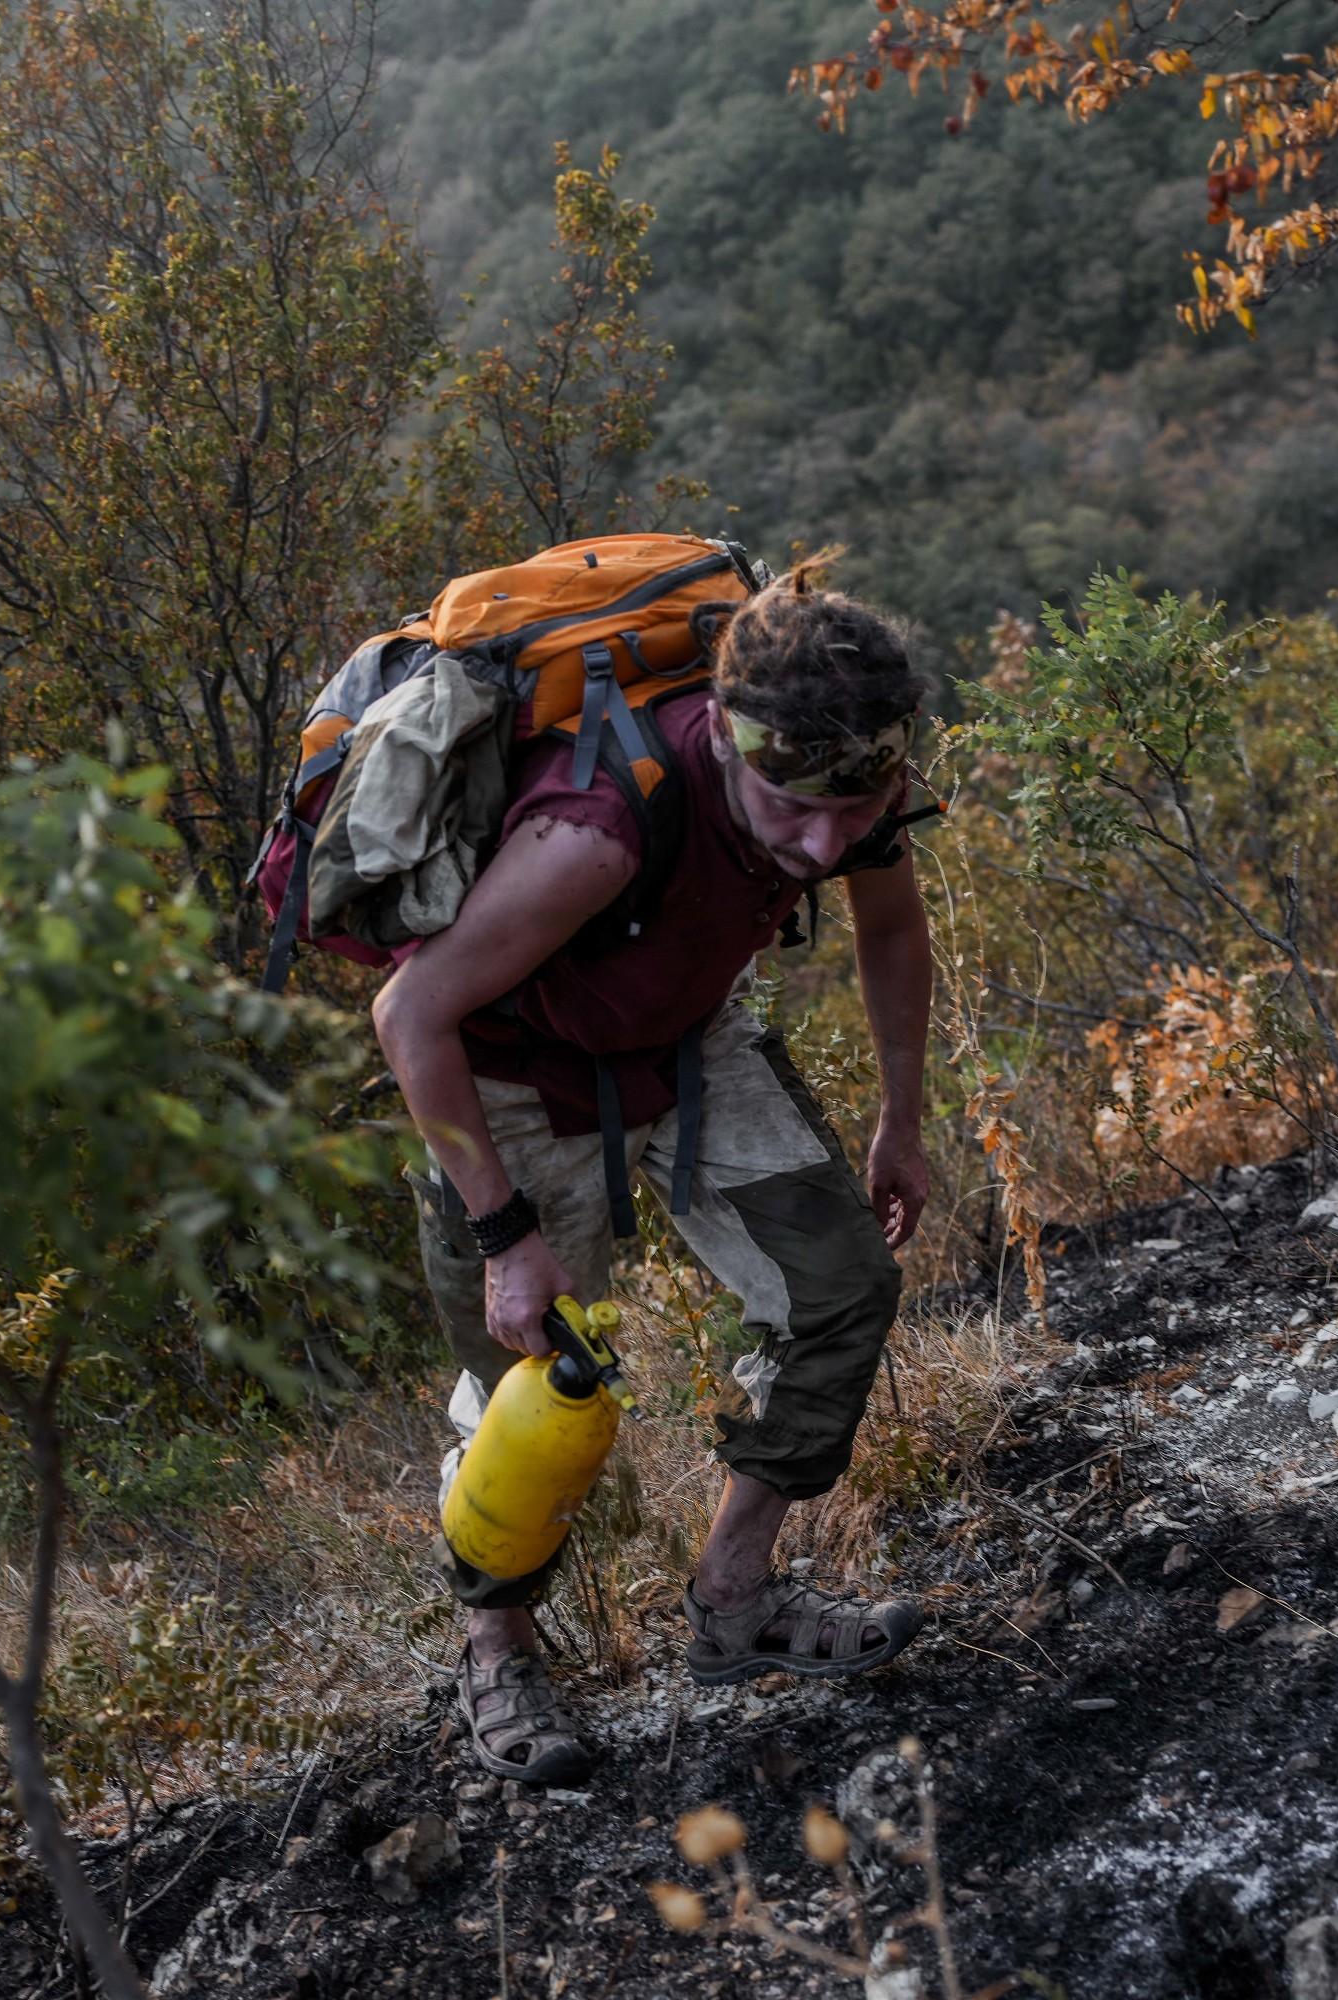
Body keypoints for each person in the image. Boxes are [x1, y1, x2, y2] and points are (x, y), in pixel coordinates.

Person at [368, 553, 935, 1785]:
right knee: (530, 1392)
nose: (825, 842)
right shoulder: (599, 831)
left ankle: (736, 1603)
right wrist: (506, 1234)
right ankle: (497, 1651)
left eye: (854, 810)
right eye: (795, 813)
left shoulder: (848, 783)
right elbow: (412, 1018)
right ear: (732, 747)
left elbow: (891, 924)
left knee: (840, 1287)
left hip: (685, 1042)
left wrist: (904, 1112)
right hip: (511, 1079)